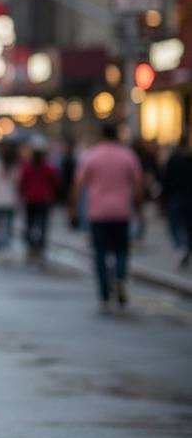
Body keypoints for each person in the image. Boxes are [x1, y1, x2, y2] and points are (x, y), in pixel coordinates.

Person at [70, 123, 144, 312]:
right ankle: (119, 276)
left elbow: (78, 185)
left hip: (98, 213)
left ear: (101, 135)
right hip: (122, 212)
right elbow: (137, 185)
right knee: (121, 250)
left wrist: (73, 208)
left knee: (100, 253)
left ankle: (104, 293)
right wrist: (139, 207)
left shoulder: (91, 156)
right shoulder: (128, 156)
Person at [19, 143, 60, 263]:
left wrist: (23, 193)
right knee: (42, 224)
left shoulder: (28, 167)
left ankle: (31, 244)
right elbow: (56, 181)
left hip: (31, 199)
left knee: (30, 223)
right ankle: (40, 245)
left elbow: (22, 182)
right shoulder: (47, 167)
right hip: (43, 199)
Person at [160, 132, 192, 267]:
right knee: (187, 225)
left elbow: (166, 179)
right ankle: (185, 247)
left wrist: (164, 198)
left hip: (176, 197)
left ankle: (181, 246)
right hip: (186, 197)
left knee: (175, 225)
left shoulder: (174, 158)